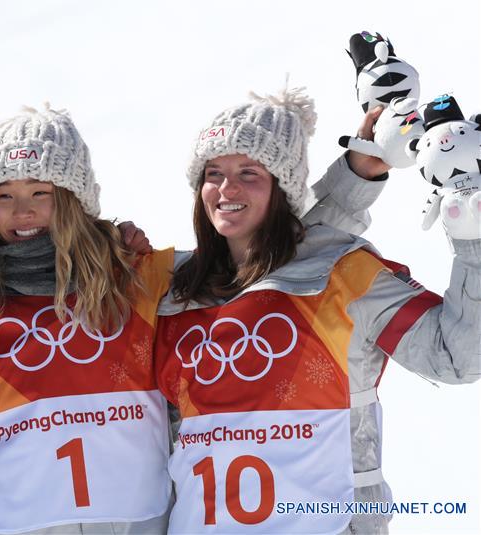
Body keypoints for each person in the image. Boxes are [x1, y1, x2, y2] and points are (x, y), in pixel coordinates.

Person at [0, 102, 392, 535]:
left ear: (73, 200)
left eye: (40, 192)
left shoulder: (139, 278)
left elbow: (275, 254)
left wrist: (355, 178)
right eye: (4, 195)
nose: (22, 211)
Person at [154, 87, 481, 534]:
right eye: (214, 172)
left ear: (282, 187)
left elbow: (457, 357)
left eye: (249, 172)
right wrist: (357, 173)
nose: (227, 189)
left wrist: (473, 234)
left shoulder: (343, 273)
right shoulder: (170, 288)